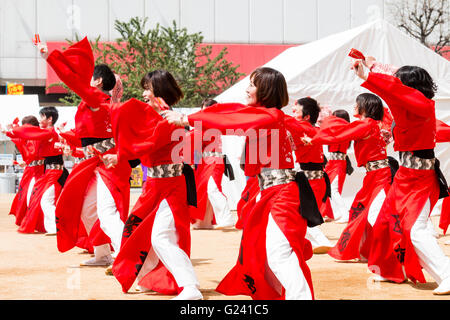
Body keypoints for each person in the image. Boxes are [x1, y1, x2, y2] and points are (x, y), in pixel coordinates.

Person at [163, 67, 323, 300]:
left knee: (279, 254)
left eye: (252, 84)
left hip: (282, 194)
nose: (247, 89)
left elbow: (232, 119)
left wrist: (188, 118)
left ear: (266, 90)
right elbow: (229, 112)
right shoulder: (265, 115)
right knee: (264, 252)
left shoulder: (271, 116)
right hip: (270, 191)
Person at [352, 58, 450, 295]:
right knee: (386, 222)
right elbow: (391, 91)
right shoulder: (405, 106)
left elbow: (392, 89)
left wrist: (369, 74)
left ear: (409, 87)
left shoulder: (423, 104)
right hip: (405, 176)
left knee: (416, 230)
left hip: (420, 178)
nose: (394, 86)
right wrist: (370, 69)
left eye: (399, 84)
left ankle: (446, 273)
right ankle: (393, 269)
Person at [39, 38, 134, 266]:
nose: (86, 80)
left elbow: (71, 79)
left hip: (106, 163)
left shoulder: (95, 97)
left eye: (91, 76)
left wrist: (49, 57)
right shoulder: (99, 101)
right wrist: (68, 137)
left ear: (98, 81)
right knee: (87, 209)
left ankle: (127, 256)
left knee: (107, 212)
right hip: (97, 162)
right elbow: (90, 133)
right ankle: (103, 254)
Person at [109, 69, 202, 300]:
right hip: (155, 185)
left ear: (159, 91)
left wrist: (120, 155)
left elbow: (146, 143)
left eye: (148, 89)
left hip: (172, 185)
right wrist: (115, 103)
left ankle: (190, 286)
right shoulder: (158, 117)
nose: (143, 93)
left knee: (160, 236)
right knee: (141, 232)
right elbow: (137, 137)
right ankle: (152, 277)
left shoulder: (169, 118)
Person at [304, 93, 394, 262]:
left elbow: (341, 134)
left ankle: (390, 255)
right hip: (373, 176)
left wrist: (314, 139)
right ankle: (364, 251)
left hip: (380, 177)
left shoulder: (367, 124)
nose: (354, 106)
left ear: (365, 106)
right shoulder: (372, 124)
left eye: (357, 103)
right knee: (359, 213)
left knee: (375, 216)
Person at [7, 107, 67, 235]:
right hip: (48, 171)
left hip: (53, 172)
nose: (40, 119)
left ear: (50, 119)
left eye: (42, 116)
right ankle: (50, 227)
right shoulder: (47, 132)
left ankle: (55, 227)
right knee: (39, 199)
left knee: (45, 200)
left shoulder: (50, 133)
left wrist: (12, 131)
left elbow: (29, 134)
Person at [286, 97, 333, 254]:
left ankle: (321, 240)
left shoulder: (302, 127)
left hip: (309, 180)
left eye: (297, 111)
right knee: (303, 214)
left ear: (306, 116)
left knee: (302, 215)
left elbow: (285, 122)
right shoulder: (316, 130)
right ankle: (310, 241)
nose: (293, 113)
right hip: (318, 179)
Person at [190, 98, 236, 230]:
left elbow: (194, 138)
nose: (204, 112)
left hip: (214, 161)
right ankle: (204, 222)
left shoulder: (212, 124)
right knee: (205, 191)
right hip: (206, 162)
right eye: (203, 109)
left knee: (212, 188)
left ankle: (226, 217)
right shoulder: (206, 124)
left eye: (207, 109)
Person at [3, 116, 44, 228]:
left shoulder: (38, 136)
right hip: (31, 169)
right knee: (25, 194)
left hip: (39, 170)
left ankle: (33, 220)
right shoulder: (31, 136)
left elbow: (32, 153)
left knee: (32, 194)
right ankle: (28, 219)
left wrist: (11, 132)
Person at [322, 110, 353, 223]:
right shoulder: (339, 131)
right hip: (332, 162)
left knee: (334, 190)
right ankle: (332, 213)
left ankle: (345, 213)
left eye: (334, 118)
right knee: (328, 189)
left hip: (338, 163)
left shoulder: (343, 131)